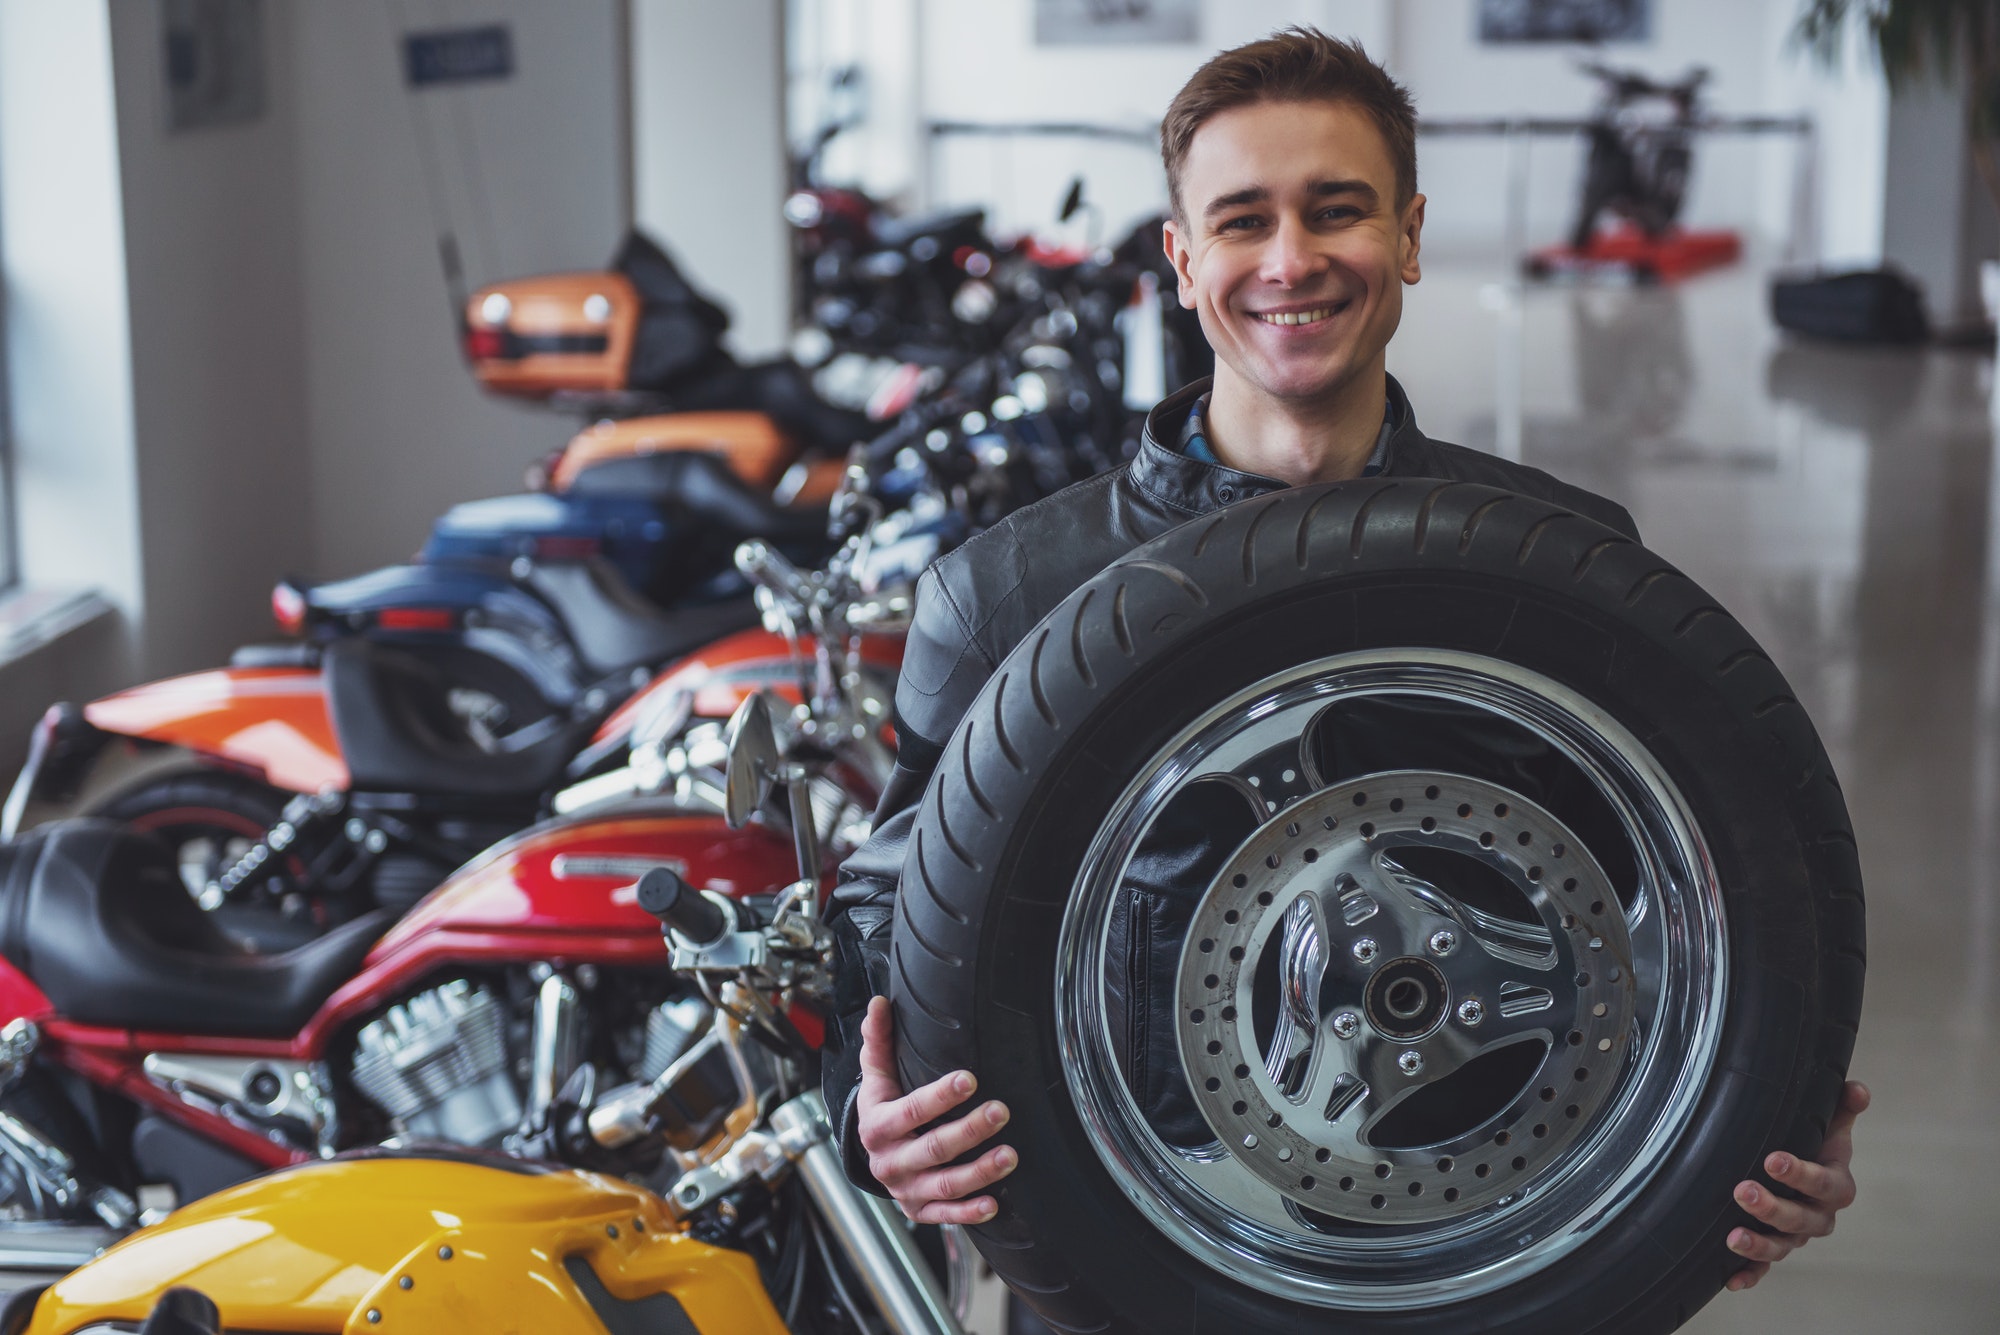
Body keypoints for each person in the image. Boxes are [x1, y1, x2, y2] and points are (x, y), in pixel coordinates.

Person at [823, 25, 1865, 1299]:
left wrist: (1755, 1121)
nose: (1289, 260)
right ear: (1182, 256)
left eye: (1336, 211)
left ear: (1410, 236)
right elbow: (890, 919)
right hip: (1141, 1279)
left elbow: (1710, 890)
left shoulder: (1561, 567)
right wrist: (869, 1125)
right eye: (1241, 220)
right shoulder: (1005, 597)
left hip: (1483, 1260)